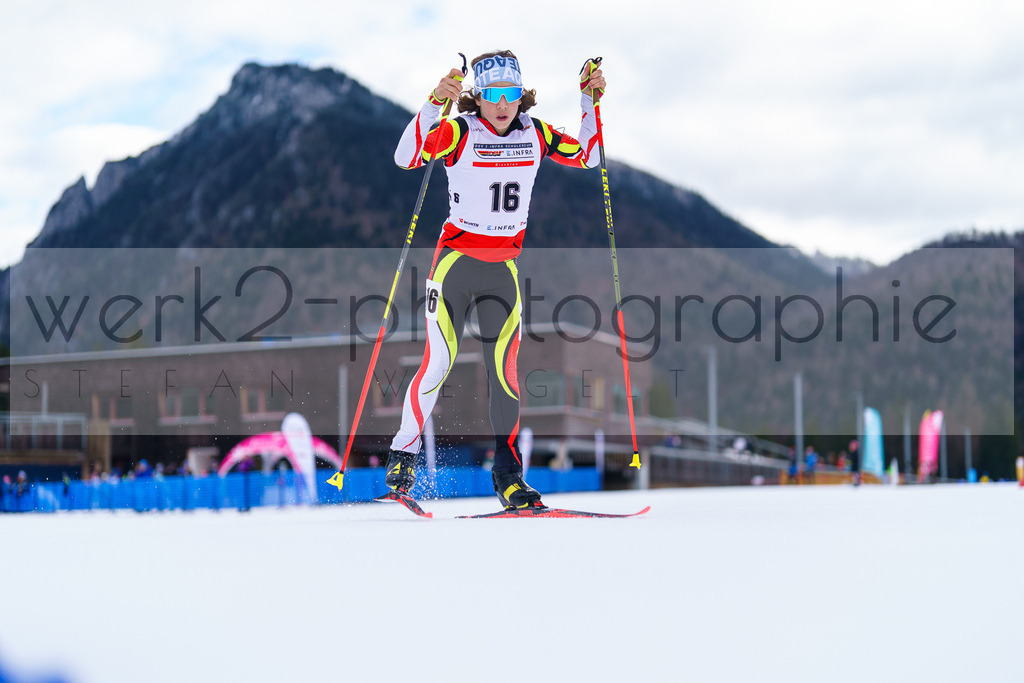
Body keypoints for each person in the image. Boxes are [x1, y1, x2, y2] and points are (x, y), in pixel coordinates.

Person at [385, 50, 606, 510]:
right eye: (491, 95)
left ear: (521, 95)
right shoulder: (459, 132)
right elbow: (405, 157)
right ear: (477, 98)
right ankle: (402, 456)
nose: (502, 104)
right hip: (454, 268)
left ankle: (508, 478)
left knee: (504, 376)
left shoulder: (536, 132)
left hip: (502, 272)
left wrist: (589, 101)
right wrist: (431, 103)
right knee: (438, 365)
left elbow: (589, 156)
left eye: (510, 94)